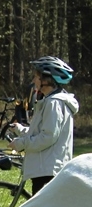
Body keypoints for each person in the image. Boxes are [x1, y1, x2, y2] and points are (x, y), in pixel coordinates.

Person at [10, 56, 79, 195]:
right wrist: (20, 129)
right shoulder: (49, 101)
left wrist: (22, 143)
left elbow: (47, 137)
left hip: (48, 172)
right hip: (45, 169)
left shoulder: (54, 103)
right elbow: (41, 131)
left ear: (46, 80)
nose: (33, 80)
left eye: (36, 76)